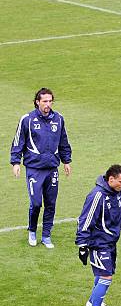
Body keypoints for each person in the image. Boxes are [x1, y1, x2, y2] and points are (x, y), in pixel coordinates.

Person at [10, 88, 73, 248]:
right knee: (36, 203)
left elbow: (63, 141)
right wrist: (16, 162)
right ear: (37, 102)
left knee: (51, 203)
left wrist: (66, 161)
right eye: (44, 101)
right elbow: (18, 142)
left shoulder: (58, 119)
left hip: (52, 168)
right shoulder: (27, 119)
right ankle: (32, 231)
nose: (48, 104)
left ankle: (46, 235)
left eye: (50, 101)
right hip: (34, 169)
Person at [75, 165, 121, 306]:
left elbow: (118, 213)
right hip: (98, 242)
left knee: (104, 274)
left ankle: (93, 302)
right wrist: (82, 245)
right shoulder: (97, 196)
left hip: (110, 241)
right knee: (106, 276)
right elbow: (85, 221)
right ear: (111, 179)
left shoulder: (118, 192)